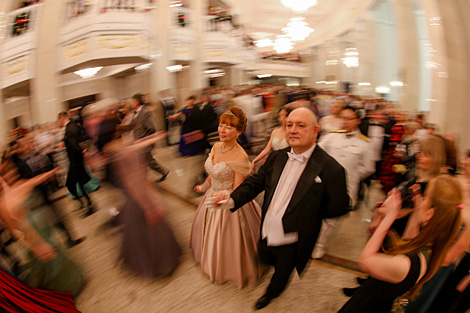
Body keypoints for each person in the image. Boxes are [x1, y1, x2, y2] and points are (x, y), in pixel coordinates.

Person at [212, 107, 350, 309]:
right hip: (267, 225)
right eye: (289, 125)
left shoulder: (332, 170)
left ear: (315, 130)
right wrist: (232, 198)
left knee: (282, 272)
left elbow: (336, 209)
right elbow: (254, 183)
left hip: (293, 239)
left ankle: (270, 294)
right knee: (264, 254)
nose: (293, 130)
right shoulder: (277, 157)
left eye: (301, 125)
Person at [338, 175, 463, 313]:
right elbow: (407, 240)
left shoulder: (407, 264)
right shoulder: (428, 247)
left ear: (430, 213)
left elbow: (366, 261)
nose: (422, 200)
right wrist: (416, 208)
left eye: (425, 197)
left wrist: (390, 215)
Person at [94, 109, 181, 277]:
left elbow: (134, 148)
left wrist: (153, 138)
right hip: (138, 191)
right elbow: (133, 179)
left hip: (134, 190)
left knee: (133, 224)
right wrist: (149, 205)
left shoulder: (112, 148)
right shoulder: (122, 149)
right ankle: (158, 263)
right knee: (147, 224)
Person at [191, 106, 263, 288]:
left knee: (226, 239)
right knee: (208, 232)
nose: (222, 130)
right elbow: (213, 173)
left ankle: (227, 268)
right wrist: (203, 187)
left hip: (228, 201)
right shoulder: (216, 146)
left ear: (239, 131)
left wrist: (223, 197)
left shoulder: (241, 156)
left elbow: (238, 189)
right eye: (221, 125)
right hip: (211, 194)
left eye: (228, 127)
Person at [0, 158, 85, 297]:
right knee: (48, 267)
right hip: (34, 238)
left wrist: (53, 172)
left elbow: (36, 180)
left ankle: (68, 286)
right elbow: (15, 231)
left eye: (11, 169)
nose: (11, 173)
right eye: (6, 172)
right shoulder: (4, 204)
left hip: (44, 231)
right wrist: (34, 247)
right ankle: (59, 294)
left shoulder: (20, 185)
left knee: (56, 259)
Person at [312, 106, 375, 259]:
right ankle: (310, 240)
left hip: (346, 186)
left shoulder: (365, 144)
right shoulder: (331, 136)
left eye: (349, 119)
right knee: (314, 213)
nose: (345, 122)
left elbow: (368, 167)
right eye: (343, 118)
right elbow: (316, 153)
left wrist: (352, 174)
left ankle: (321, 245)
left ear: (357, 121)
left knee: (333, 219)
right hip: (323, 182)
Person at [58, 111, 95, 216]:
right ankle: (88, 204)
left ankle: (85, 204)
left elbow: (74, 145)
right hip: (76, 160)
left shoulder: (69, 129)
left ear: (61, 118)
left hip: (75, 161)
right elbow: (79, 140)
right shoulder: (73, 126)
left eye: (58, 121)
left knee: (70, 184)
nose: (58, 123)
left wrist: (81, 151)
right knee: (80, 184)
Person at [251, 105, 293, 172]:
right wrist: (255, 160)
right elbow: (267, 148)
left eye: (285, 116)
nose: (282, 118)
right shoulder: (275, 131)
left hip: (288, 163)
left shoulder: (292, 133)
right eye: (280, 116)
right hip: (274, 162)